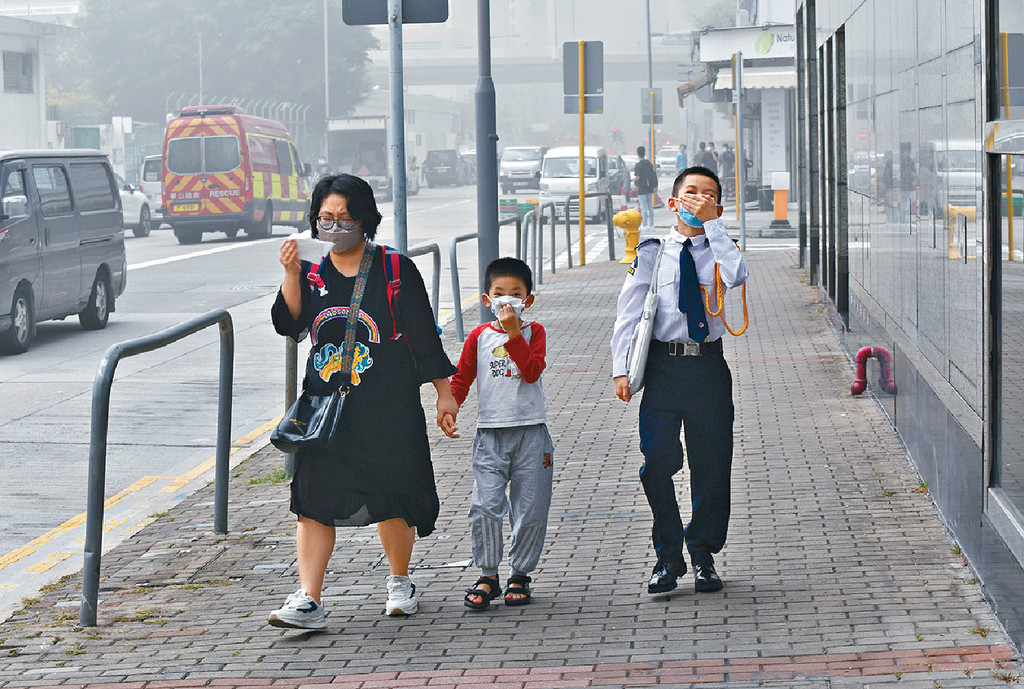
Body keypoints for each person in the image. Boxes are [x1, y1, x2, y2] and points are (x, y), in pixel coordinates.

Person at [268, 173, 459, 630]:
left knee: (392, 494)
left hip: (387, 406)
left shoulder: (394, 269)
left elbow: (423, 336)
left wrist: (444, 394)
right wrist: (291, 274)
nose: (334, 227)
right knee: (312, 500)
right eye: (325, 218)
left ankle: (400, 581)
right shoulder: (312, 272)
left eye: (345, 218)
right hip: (325, 412)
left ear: (365, 219)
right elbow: (289, 324)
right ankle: (309, 599)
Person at [610, 165, 748, 596]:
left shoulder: (722, 248)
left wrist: (714, 227)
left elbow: (737, 276)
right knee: (656, 463)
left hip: (707, 368)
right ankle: (668, 556)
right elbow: (629, 311)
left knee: (712, 465)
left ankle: (703, 553)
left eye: (709, 195)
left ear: (718, 207)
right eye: (691, 192)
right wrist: (620, 368)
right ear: (673, 202)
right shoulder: (652, 252)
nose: (698, 199)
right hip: (663, 369)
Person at [447, 257, 553, 610]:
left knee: (531, 508)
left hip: (531, 433)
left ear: (528, 300)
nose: (507, 300)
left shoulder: (534, 333)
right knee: (485, 505)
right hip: (490, 435)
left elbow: (532, 371)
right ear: (486, 299)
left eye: (516, 294)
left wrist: (513, 334)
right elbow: (462, 377)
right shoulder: (478, 337)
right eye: (499, 293)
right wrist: (450, 407)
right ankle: (488, 574)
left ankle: (520, 573)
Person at [633, 146, 659, 233]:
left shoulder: (638, 165)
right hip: (650, 187)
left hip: (642, 188)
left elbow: (637, 177)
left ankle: (644, 225)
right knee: (650, 206)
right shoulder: (649, 164)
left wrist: (634, 181)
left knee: (643, 207)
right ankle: (651, 225)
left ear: (638, 154)